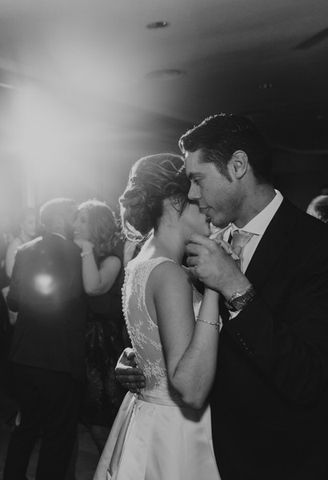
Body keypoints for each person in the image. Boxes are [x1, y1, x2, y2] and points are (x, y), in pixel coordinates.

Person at [118, 114, 328, 479]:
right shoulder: (205, 244)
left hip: (273, 459)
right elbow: (190, 337)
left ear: (238, 166)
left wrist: (237, 289)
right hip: (201, 451)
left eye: (198, 180)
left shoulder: (314, 247)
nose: (193, 194)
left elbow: (308, 378)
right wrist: (142, 359)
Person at [94, 154, 221, 480]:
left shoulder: (141, 261)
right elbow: (189, 382)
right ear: (176, 199)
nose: (205, 202)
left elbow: (150, 342)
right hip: (177, 428)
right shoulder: (170, 274)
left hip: (147, 414)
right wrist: (215, 287)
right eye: (197, 193)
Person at [2, 198, 87, 480]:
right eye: (75, 217)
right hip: (60, 356)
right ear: (62, 220)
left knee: (25, 425)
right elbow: (77, 299)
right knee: (57, 435)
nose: (78, 224)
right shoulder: (77, 254)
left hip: (24, 354)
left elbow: (13, 301)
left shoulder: (25, 250)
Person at [72, 200, 128, 453]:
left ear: (97, 224)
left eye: (82, 220)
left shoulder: (113, 254)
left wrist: (85, 249)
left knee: (104, 415)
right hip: (86, 341)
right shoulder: (91, 253)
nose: (75, 225)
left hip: (107, 344)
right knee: (91, 416)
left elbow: (95, 287)